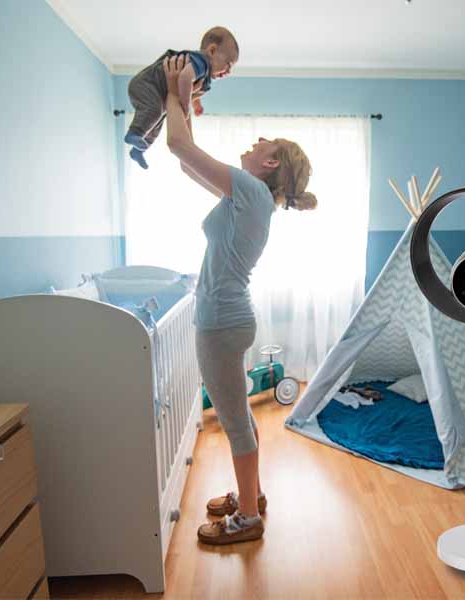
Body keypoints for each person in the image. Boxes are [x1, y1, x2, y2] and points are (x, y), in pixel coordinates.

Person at [162, 54, 317, 545]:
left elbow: (176, 145)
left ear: (269, 164)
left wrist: (174, 87)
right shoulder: (246, 195)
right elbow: (187, 163)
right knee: (239, 415)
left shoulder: (249, 190)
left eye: (261, 143)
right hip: (229, 319)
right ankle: (252, 494)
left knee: (232, 419)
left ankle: (247, 519)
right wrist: (186, 105)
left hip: (221, 323)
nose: (253, 144)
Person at [124, 26, 239, 169]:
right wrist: (185, 106)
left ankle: (138, 150)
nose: (228, 72)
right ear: (212, 51)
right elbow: (185, 79)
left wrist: (196, 104)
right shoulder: (201, 61)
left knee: (155, 125)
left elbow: (191, 87)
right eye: (228, 64)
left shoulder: (203, 72)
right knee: (153, 112)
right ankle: (133, 133)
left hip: (157, 95)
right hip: (147, 85)